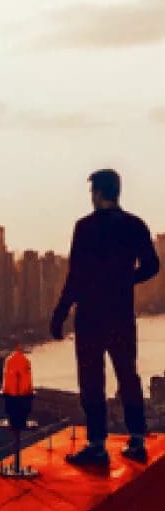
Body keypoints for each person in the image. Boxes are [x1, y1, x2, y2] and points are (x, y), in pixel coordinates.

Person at [50, 169, 159, 466]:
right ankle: (137, 439)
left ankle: (97, 445)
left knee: (91, 379)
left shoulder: (85, 227)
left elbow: (75, 277)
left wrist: (59, 314)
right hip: (121, 314)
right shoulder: (135, 225)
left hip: (90, 316)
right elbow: (152, 266)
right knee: (128, 375)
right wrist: (126, 279)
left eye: (92, 193)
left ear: (98, 193)